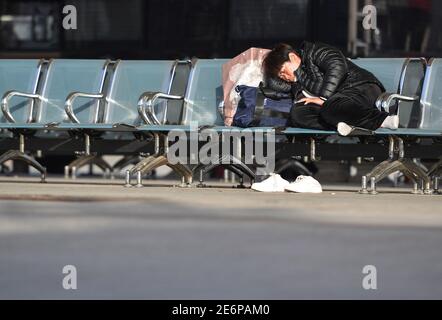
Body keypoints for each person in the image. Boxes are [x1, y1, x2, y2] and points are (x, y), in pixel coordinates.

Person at [261, 42, 400, 135]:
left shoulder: (314, 51)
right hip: (336, 105)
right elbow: (278, 87)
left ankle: (382, 120)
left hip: (360, 87)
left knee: (331, 107)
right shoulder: (297, 82)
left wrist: (323, 98)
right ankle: (348, 125)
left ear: (292, 56)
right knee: (298, 114)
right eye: (280, 75)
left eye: (283, 70)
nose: (284, 76)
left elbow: (337, 66)